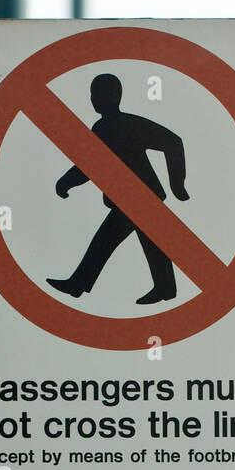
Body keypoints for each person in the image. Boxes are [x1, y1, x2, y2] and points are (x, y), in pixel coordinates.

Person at [47, 73, 189, 305]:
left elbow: (173, 142)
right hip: (134, 198)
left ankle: (78, 284)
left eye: (97, 94)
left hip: (138, 198)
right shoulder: (104, 126)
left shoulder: (119, 125)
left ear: (112, 97)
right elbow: (90, 164)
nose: (93, 99)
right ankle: (166, 288)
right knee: (152, 243)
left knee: (104, 242)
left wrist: (178, 185)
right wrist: (66, 182)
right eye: (92, 94)